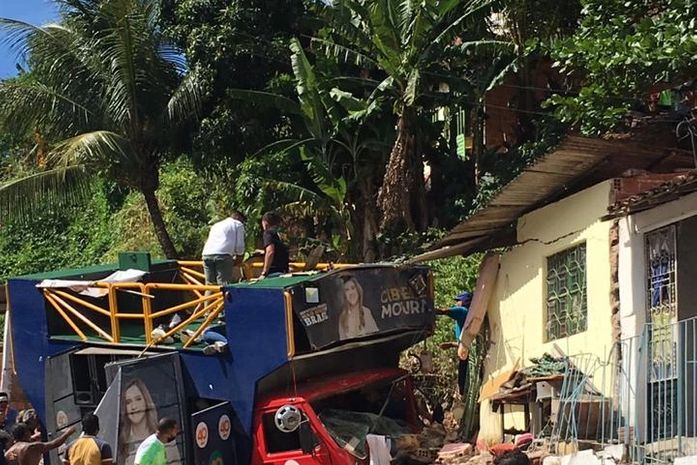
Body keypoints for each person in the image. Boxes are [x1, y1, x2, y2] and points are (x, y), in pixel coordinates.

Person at [118, 380, 180, 465]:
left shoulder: (165, 438)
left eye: (138, 399)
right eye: (128, 402)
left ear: (146, 401)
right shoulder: (123, 442)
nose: (133, 407)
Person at [436, 291, 472, 395]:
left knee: (463, 382)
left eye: (458, 301)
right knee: (466, 380)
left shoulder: (461, 310)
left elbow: (443, 311)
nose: (457, 303)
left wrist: (427, 310)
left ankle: (463, 395)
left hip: (465, 354)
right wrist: (451, 344)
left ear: (464, 301)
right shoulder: (469, 313)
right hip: (466, 350)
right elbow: (465, 343)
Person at [201, 210, 246, 286]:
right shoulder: (238, 224)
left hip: (207, 254)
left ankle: (208, 294)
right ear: (238, 217)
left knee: (210, 286)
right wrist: (239, 258)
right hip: (223, 256)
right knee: (224, 285)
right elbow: (240, 246)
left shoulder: (216, 225)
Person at [5, 423, 75, 465]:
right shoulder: (32, 447)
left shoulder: (8, 453)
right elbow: (54, 444)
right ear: (26, 433)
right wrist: (68, 433)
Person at [338, 275, 378, 340]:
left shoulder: (366, 312)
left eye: (353, 288)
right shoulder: (343, 318)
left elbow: (375, 338)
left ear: (358, 291)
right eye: (347, 290)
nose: (351, 293)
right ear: (345, 295)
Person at [259, 212, 289, 278]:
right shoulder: (281, 235)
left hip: (273, 273)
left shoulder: (268, 233)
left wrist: (264, 273)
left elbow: (270, 252)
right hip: (283, 272)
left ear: (265, 223)